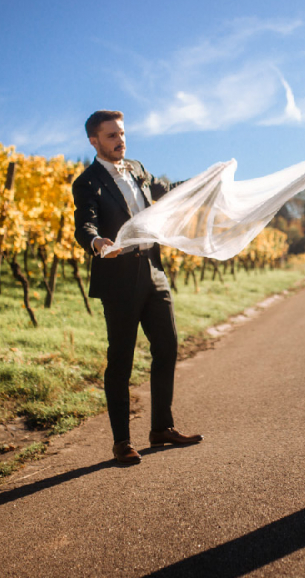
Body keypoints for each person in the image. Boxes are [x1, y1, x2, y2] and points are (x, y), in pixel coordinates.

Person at [72, 110, 202, 465]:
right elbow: (85, 224)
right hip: (119, 279)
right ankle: (121, 442)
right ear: (94, 141)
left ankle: (162, 428)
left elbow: (166, 190)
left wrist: (203, 180)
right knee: (121, 360)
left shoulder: (139, 169)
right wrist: (98, 244)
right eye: (112, 136)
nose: (120, 141)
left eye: (122, 134)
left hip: (153, 271)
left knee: (167, 347)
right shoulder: (87, 182)